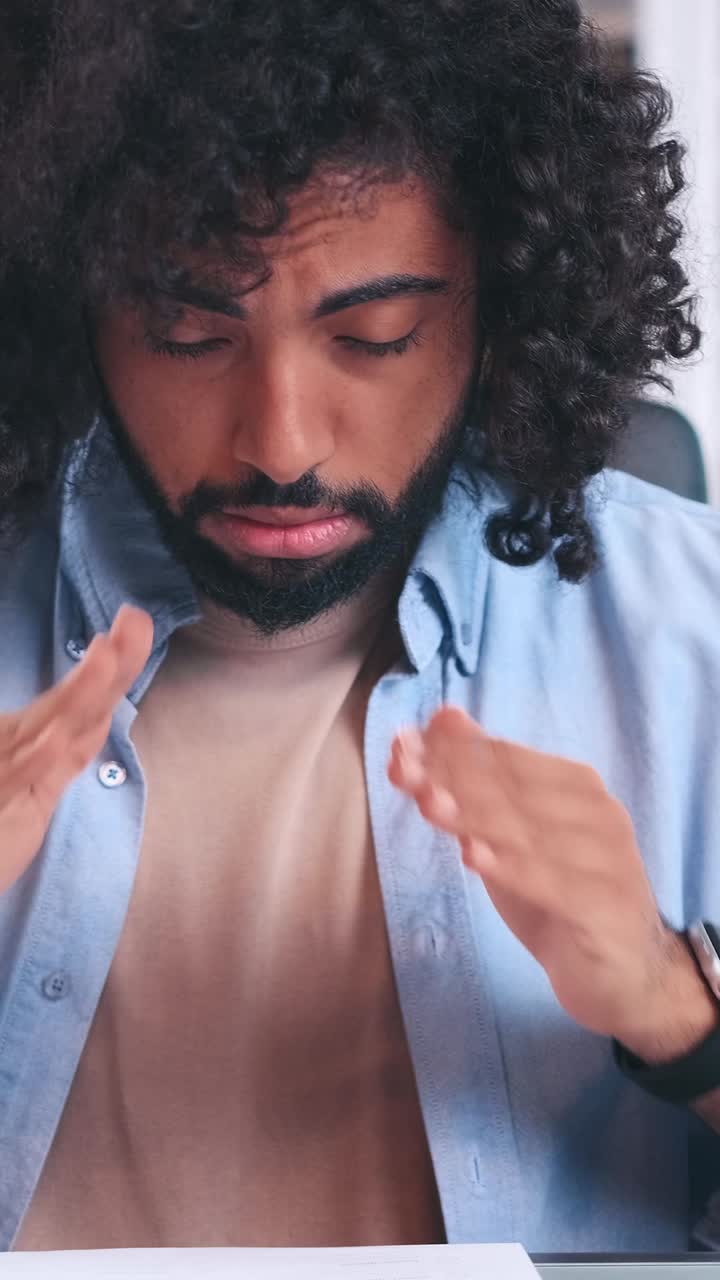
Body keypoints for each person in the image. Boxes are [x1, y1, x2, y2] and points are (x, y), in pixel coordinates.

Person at [0, 0, 718, 1256]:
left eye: (374, 336)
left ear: (507, 300)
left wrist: (680, 1013)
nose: (282, 441)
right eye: (188, 333)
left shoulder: (691, 642)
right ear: (73, 309)